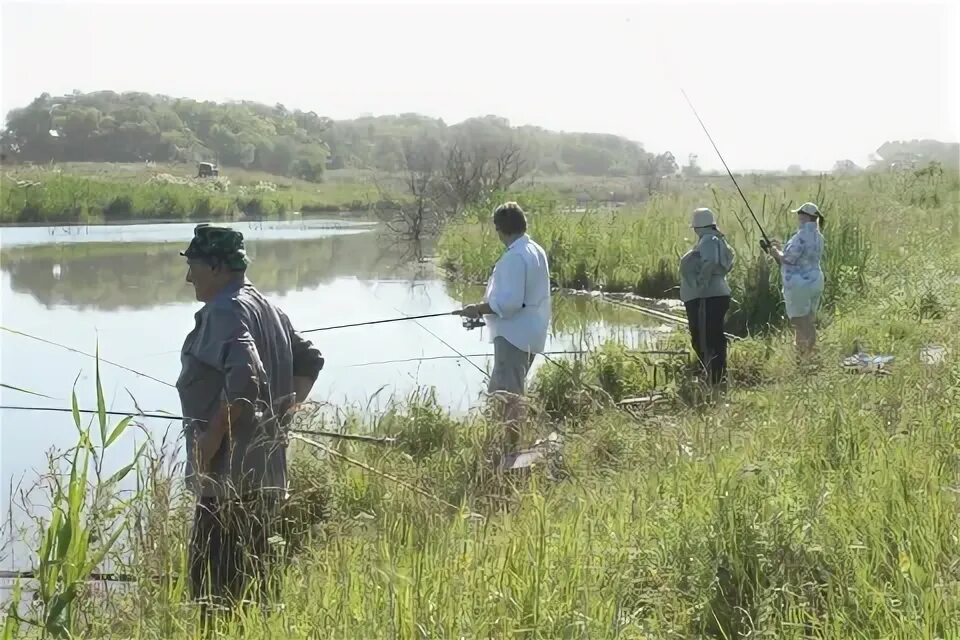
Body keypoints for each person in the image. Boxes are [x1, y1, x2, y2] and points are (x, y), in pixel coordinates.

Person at [176, 224, 324, 622]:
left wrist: (211, 435)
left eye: (194, 266)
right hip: (266, 476)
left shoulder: (224, 310)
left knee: (211, 591)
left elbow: (244, 374)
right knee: (253, 586)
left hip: (228, 480)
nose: (189, 276)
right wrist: (282, 415)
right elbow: (311, 359)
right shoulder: (268, 308)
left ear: (218, 266)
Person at [455, 202, 551, 450]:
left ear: (501, 229)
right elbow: (523, 300)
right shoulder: (535, 250)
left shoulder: (515, 257)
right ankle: (510, 446)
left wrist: (477, 308)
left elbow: (509, 304)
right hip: (530, 333)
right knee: (511, 393)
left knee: (505, 396)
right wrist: (485, 315)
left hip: (514, 338)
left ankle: (508, 450)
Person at [678, 207, 735, 388]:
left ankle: (714, 378)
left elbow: (710, 262)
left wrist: (702, 283)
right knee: (711, 336)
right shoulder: (716, 239)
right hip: (715, 295)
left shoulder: (709, 240)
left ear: (698, 227)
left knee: (705, 337)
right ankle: (714, 376)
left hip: (707, 297)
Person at [761, 201, 826, 358]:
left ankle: (810, 355)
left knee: (800, 321)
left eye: (799, 214)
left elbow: (789, 259)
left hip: (799, 284)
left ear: (804, 216)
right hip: (816, 280)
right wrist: (779, 251)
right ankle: (802, 355)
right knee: (807, 319)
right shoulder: (819, 236)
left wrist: (775, 251)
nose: (798, 218)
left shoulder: (801, 236)